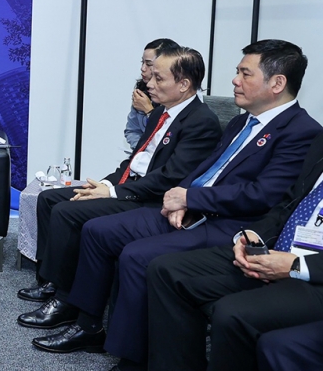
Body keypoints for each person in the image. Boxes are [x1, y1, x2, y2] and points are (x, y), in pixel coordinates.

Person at [44, 39, 322, 371]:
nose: (234, 80)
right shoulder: (241, 122)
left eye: (244, 72)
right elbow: (205, 169)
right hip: (191, 212)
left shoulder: (302, 132)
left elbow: (263, 194)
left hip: (232, 224)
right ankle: (88, 323)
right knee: (99, 230)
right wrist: (182, 195)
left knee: (139, 257)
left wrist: (191, 198)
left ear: (277, 83)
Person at [126, 132, 323, 371]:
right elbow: (287, 203)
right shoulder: (320, 142)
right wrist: (253, 236)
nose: (236, 81)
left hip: (313, 276)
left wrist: (297, 266)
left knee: (232, 313)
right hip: (276, 251)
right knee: (167, 271)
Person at [17, 45, 221, 331]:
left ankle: (66, 301)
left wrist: (113, 192)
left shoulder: (202, 122)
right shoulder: (161, 114)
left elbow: (170, 177)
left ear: (184, 84)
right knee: (50, 199)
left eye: (159, 79)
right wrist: (105, 183)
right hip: (130, 186)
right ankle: (54, 281)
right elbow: (134, 161)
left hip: (149, 199)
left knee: (67, 212)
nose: (149, 82)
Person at [124, 39, 176, 150]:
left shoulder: (175, 95)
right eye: (142, 62)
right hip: (142, 156)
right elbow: (131, 130)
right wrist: (143, 150)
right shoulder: (143, 90)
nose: (142, 68)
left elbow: (168, 140)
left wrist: (149, 111)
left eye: (149, 64)